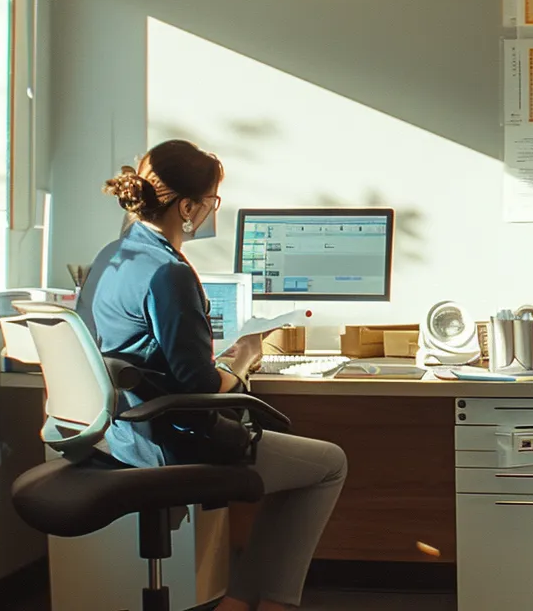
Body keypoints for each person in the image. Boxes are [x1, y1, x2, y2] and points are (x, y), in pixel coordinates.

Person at [75, 139, 346, 611]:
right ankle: (267, 603)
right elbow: (200, 389)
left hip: (118, 433)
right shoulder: (169, 273)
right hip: (168, 440)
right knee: (328, 464)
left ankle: (239, 602)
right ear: (188, 207)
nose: (209, 212)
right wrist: (240, 360)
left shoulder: (112, 257)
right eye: (210, 203)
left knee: (298, 470)